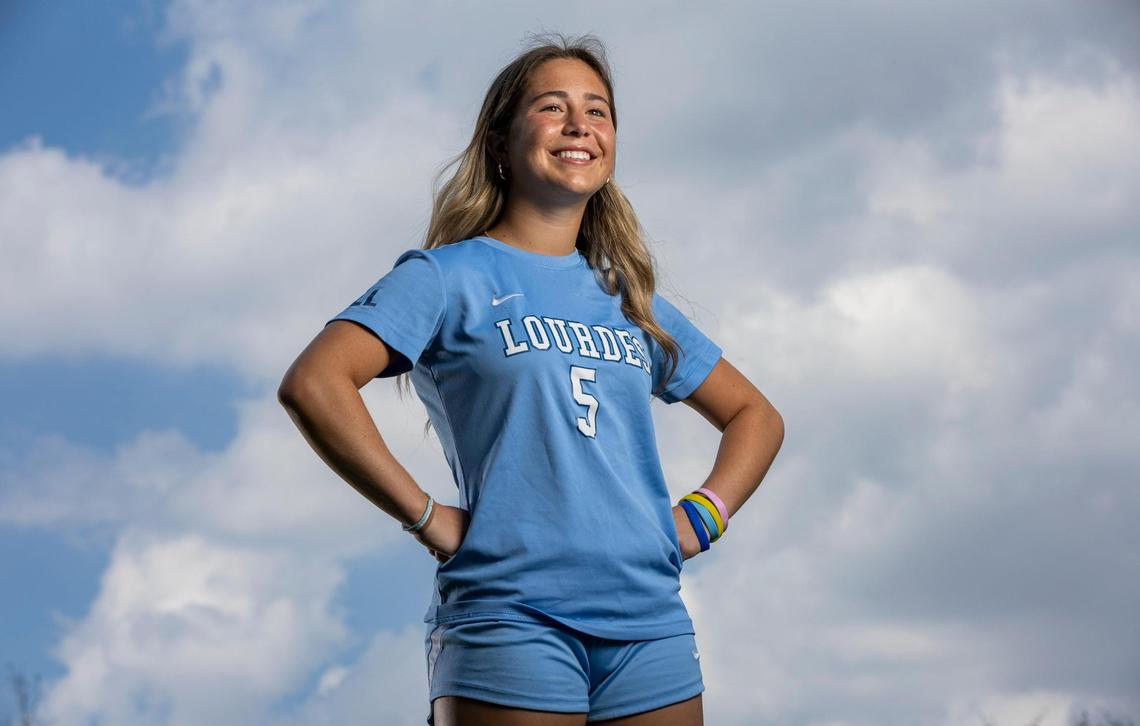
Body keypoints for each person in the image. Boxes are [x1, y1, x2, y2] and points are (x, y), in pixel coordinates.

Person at [278, 32, 784, 726]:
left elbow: (756, 415)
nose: (580, 125)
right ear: (499, 141)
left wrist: (703, 515)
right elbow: (315, 382)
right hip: (510, 618)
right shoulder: (444, 277)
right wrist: (424, 516)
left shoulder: (630, 300)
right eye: (553, 107)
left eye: (598, 111)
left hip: (649, 623)